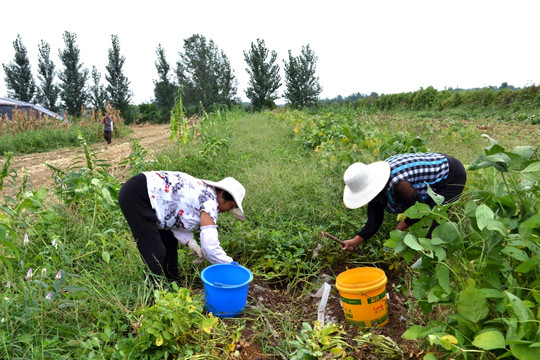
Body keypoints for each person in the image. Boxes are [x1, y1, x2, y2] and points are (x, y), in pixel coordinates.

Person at [118, 171, 245, 282]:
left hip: (144, 193)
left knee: (169, 243)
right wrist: (229, 265)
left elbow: (175, 219)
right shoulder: (209, 202)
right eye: (232, 206)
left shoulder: (205, 192)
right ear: (223, 196)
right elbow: (210, 247)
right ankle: (150, 297)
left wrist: (190, 242)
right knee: (156, 252)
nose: (229, 210)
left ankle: (174, 285)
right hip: (138, 195)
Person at [340, 152, 466, 252]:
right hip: (430, 171)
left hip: (450, 174)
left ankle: (431, 259)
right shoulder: (376, 184)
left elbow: (420, 210)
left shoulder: (399, 184)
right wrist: (357, 239)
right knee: (423, 225)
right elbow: (375, 217)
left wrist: (402, 225)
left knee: (432, 221)